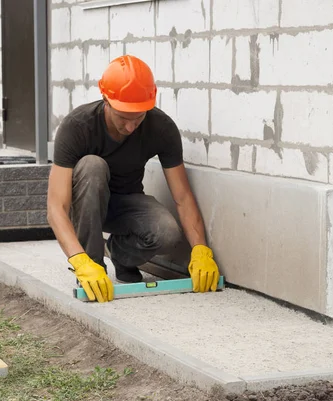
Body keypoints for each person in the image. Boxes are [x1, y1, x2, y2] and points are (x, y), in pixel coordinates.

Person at [47, 55, 220, 303]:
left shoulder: (161, 127)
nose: (131, 127)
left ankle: (119, 254)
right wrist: (79, 260)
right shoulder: (77, 126)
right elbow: (56, 208)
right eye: (123, 118)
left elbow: (182, 197)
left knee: (168, 233)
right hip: (86, 206)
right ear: (106, 100)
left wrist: (201, 249)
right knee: (92, 165)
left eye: (138, 118)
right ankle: (94, 267)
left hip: (125, 207)